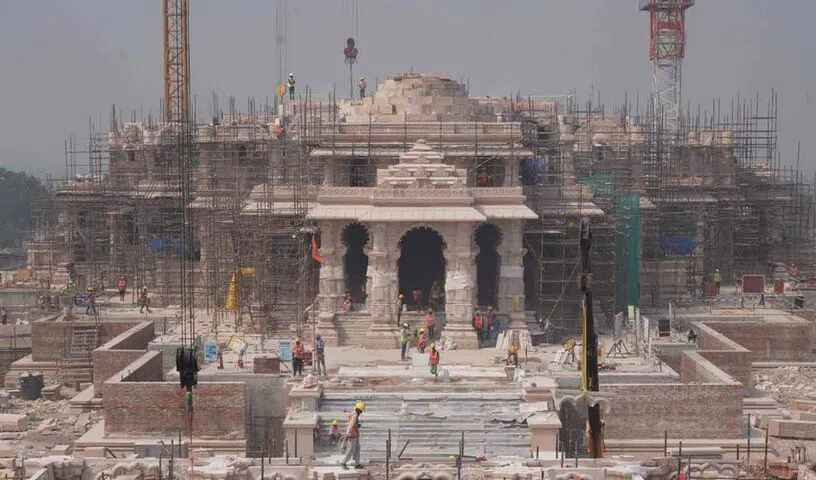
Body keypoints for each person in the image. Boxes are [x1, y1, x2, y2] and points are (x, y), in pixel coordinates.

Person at [341, 401, 365, 469]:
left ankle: (357, 464)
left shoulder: (355, 414)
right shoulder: (354, 415)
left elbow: (353, 424)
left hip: (356, 434)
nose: (361, 412)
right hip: (352, 435)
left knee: (357, 449)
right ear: (359, 409)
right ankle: (343, 462)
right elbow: (350, 425)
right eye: (361, 411)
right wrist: (347, 434)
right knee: (351, 449)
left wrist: (357, 425)